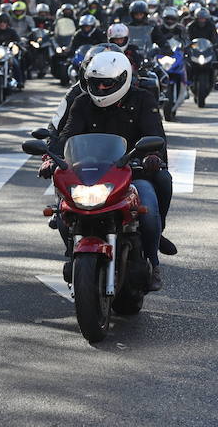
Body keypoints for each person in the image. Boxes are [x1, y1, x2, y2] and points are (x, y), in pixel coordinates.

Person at [43, 51, 174, 290]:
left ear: (123, 79)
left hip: (132, 172)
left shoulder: (143, 99)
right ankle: (72, 254)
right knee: (63, 213)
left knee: (151, 206)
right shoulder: (82, 102)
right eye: (96, 83)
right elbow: (68, 134)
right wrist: (51, 158)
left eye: (108, 83)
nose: (101, 88)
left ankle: (153, 261)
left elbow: (155, 134)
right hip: (89, 173)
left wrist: (153, 156)